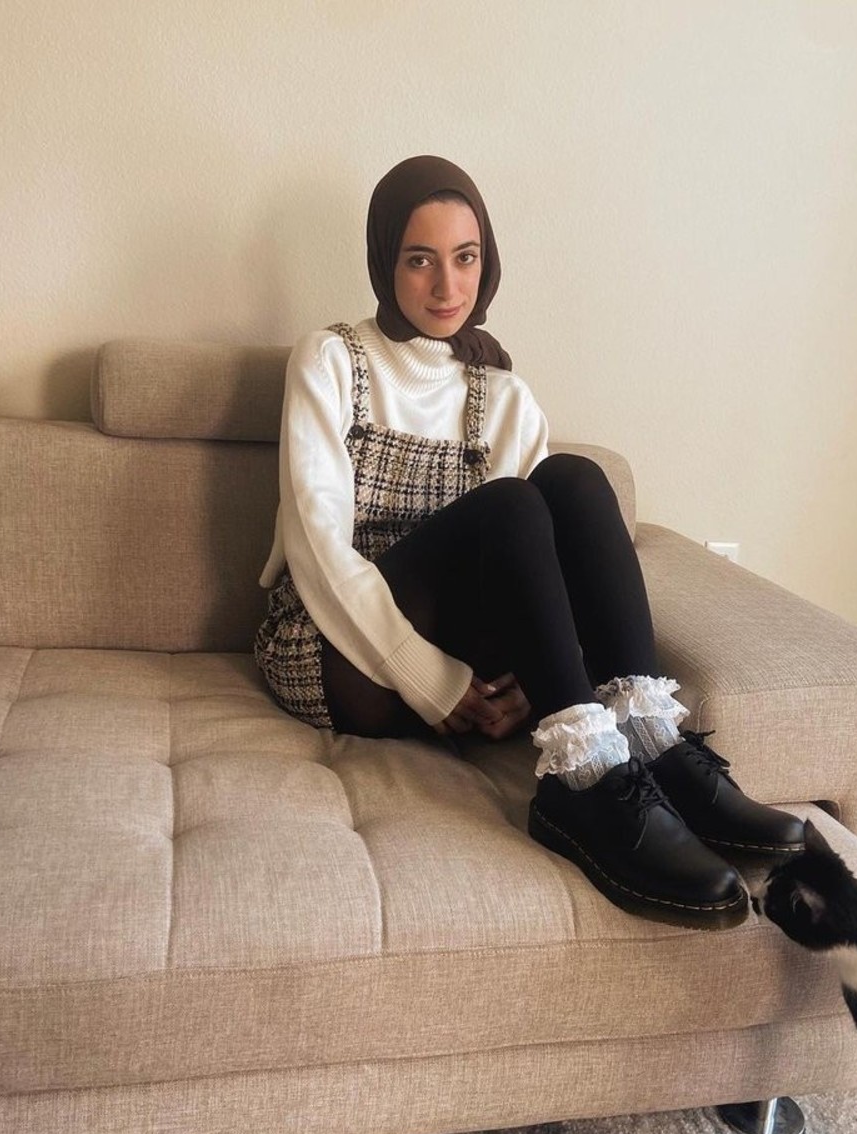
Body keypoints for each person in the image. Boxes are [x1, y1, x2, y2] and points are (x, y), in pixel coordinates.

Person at [255, 155, 804, 930]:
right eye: (420, 260)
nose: (447, 287)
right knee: (510, 504)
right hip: (335, 652)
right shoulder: (332, 359)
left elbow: (533, 571)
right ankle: (582, 784)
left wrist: (534, 676)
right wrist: (431, 679)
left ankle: (650, 744)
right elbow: (315, 547)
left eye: (465, 258)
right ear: (384, 262)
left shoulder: (503, 394)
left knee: (574, 481)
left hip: (461, 671)